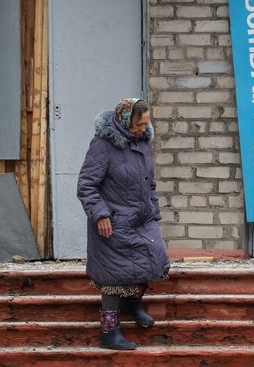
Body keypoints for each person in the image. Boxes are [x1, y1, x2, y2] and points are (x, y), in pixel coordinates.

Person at [77, 98, 170, 350]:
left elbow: (149, 184)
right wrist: (100, 214)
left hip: (142, 219)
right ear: (126, 120)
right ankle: (109, 332)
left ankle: (132, 302)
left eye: (146, 123)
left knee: (156, 258)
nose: (143, 129)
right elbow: (86, 185)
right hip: (112, 222)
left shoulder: (142, 143)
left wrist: (154, 213)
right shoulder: (103, 145)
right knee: (114, 276)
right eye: (139, 124)